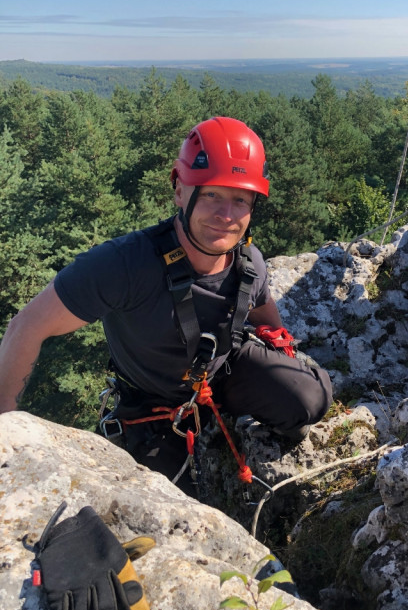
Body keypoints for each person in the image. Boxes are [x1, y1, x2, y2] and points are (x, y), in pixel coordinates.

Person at [0, 116, 333, 494]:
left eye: (240, 199)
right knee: (157, 502)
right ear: (179, 191)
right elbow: (26, 326)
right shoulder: (125, 264)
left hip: (221, 378)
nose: (226, 215)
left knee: (309, 399)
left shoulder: (248, 262)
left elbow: (264, 317)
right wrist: (6, 426)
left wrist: (282, 364)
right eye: (211, 194)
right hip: (152, 408)